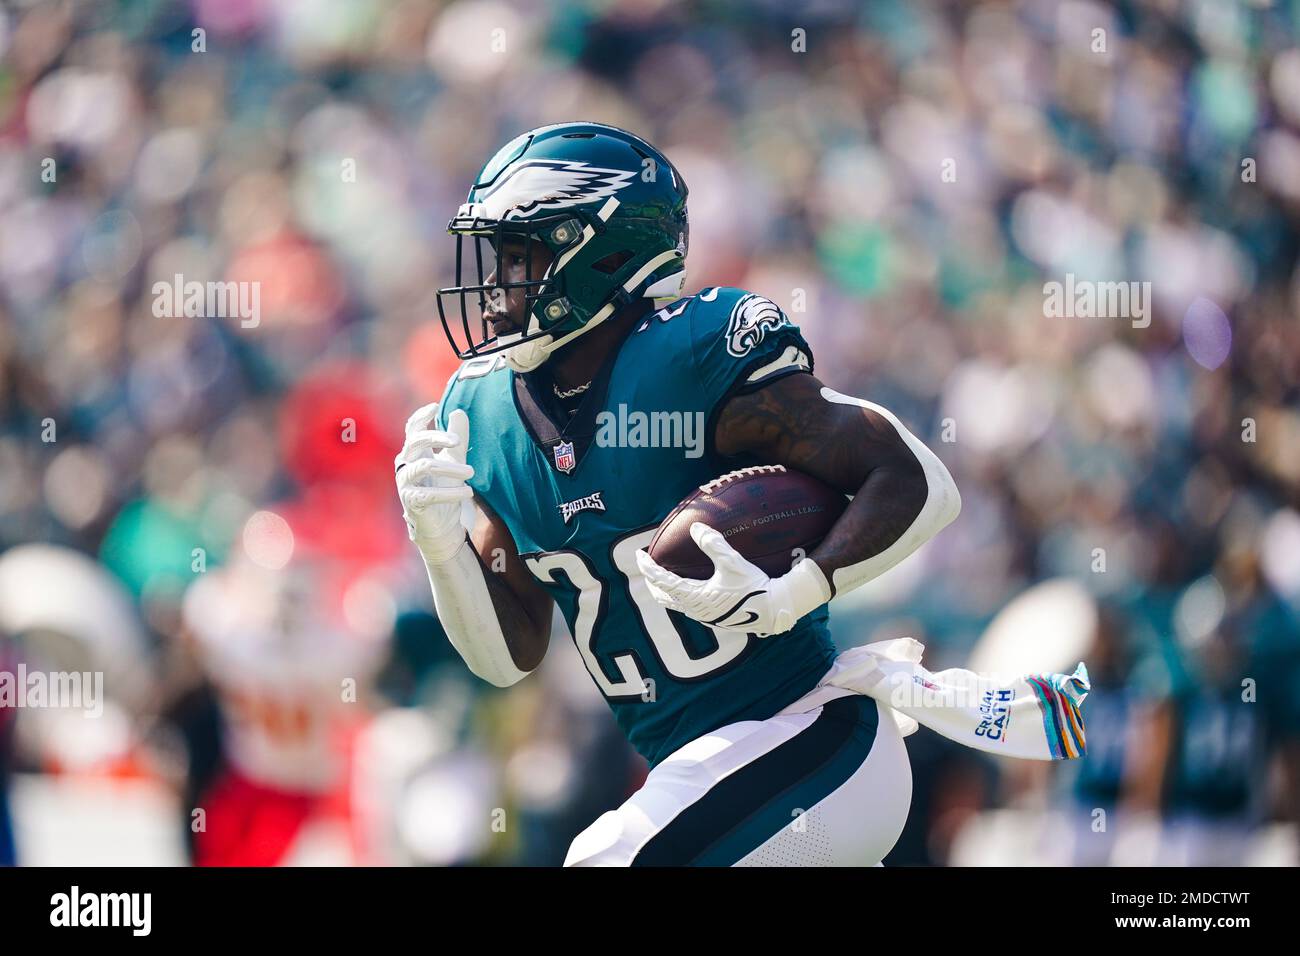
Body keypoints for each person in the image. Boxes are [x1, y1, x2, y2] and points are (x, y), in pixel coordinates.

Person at [397, 122, 962, 865]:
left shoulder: (691, 355)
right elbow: (507, 659)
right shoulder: (482, 411)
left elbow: (920, 481)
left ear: (603, 252)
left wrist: (803, 588)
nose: (497, 288)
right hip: (698, 776)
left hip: (812, 738)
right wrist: (442, 548)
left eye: (521, 256)